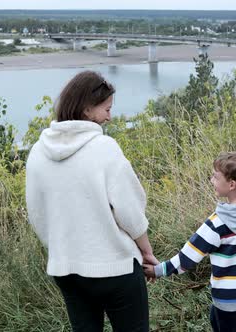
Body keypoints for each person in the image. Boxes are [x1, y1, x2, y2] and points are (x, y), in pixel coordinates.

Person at [25, 70, 157, 332]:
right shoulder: (104, 147)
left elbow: (37, 214)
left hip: (67, 270)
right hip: (115, 269)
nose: (110, 115)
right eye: (106, 109)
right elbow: (129, 211)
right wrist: (146, 250)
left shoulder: (38, 151)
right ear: (87, 109)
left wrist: (61, 248)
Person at [143, 151, 236, 332]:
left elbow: (187, 258)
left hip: (228, 294)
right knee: (216, 316)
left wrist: (158, 270)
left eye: (215, 176)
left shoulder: (217, 223)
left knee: (228, 323)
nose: (211, 179)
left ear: (232, 184)